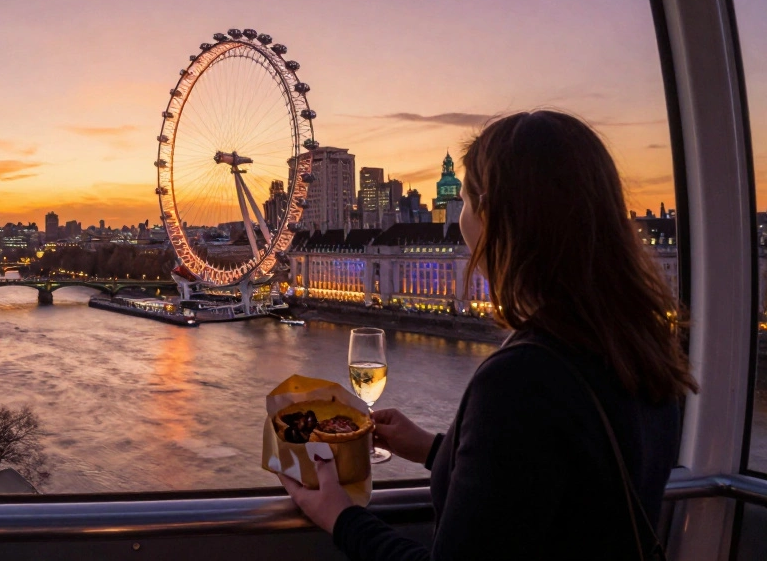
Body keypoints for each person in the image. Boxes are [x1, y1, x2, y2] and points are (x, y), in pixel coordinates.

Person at [280, 110, 695, 561]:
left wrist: (340, 516)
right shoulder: (642, 348)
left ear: (492, 215)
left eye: (464, 201)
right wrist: (434, 449)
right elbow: (559, 488)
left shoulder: (522, 378)